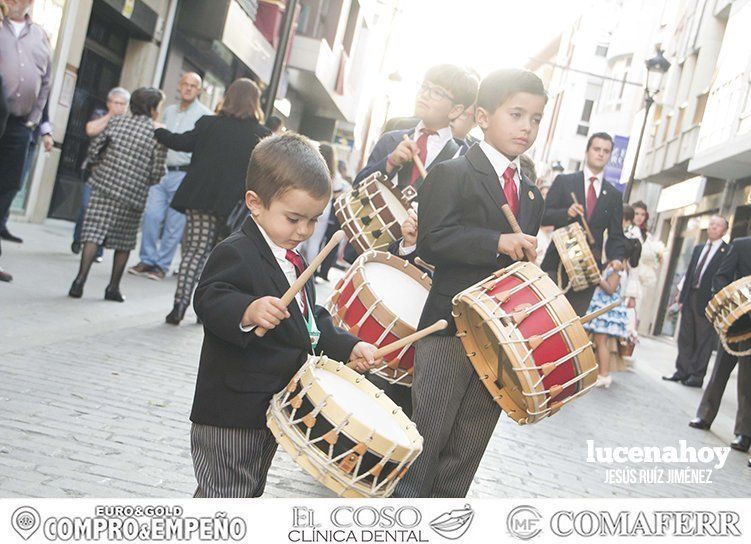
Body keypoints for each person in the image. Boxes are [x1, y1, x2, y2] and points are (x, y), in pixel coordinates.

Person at [189, 132, 380, 497]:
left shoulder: (294, 258)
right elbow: (210, 298)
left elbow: (308, 320)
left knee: (241, 493)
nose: (304, 231)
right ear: (255, 204)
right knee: (226, 496)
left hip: (269, 409)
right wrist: (248, 309)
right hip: (231, 411)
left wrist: (347, 346)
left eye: (313, 220)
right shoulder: (238, 251)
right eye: (294, 218)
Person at [393, 69, 546, 498]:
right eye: (516, 114)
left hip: (500, 339)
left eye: (535, 119)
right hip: (449, 328)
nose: (526, 127)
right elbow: (433, 241)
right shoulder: (452, 172)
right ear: (482, 115)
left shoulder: (532, 194)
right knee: (425, 444)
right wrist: (498, 240)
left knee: (467, 450)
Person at [155, 78, 271, 325]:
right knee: (219, 259)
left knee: (193, 253)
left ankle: (179, 306)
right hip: (235, 207)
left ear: (227, 97)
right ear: (254, 102)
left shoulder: (208, 124)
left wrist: (157, 129)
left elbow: (180, 142)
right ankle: (206, 309)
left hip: (201, 199)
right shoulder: (260, 135)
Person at [68, 87, 167, 302]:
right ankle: (112, 287)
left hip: (103, 186)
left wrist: (99, 167)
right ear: (152, 109)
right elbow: (157, 172)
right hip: (133, 194)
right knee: (124, 241)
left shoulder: (116, 122)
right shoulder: (156, 135)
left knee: (93, 233)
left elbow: (94, 151)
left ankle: (79, 280)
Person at [128, 73, 210, 281]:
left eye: (193, 86)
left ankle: (161, 265)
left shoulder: (204, 116)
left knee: (175, 225)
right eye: (185, 84)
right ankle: (146, 259)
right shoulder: (169, 112)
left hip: (184, 174)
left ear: (199, 90)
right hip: (161, 171)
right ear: (179, 86)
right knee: (151, 216)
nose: (189, 89)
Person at [540, 132, 627, 316]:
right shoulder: (564, 181)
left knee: (572, 325)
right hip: (557, 263)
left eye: (606, 151)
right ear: (587, 151)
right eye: (596, 149)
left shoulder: (613, 195)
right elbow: (543, 216)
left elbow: (616, 235)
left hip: (587, 271)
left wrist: (617, 258)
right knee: (545, 318)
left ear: (610, 155)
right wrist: (566, 213)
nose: (601, 154)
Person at [354, 64, 478, 190]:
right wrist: (390, 162)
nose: (424, 95)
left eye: (437, 92)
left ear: (456, 110)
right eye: (424, 86)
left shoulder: (465, 159)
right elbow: (357, 188)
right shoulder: (390, 140)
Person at [0, 0, 52, 279]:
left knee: (7, 188)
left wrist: (34, 120)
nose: (16, 2)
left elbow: (46, 83)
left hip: (20, 124)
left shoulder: (40, 35)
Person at [689, 235, 751, 456]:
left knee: (748, 380)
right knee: (719, 372)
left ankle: (744, 434)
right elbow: (721, 277)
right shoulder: (742, 245)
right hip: (734, 321)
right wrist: (727, 300)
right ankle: (705, 416)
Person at [663, 215, 729, 387]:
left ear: (724, 230)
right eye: (711, 224)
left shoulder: (726, 251)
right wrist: (682, 297)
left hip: (708, 301)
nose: (713, 227)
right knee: (685, 336)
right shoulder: (699, 248)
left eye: (717, 225)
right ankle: (681, 371)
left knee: (703, 339)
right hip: (690, 296)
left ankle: (696, 375)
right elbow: (690, 272)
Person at [72, 87, 131, 258]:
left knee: (107, 214)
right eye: (116, 103)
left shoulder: (128, 122)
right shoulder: (100, 115)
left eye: (123, 104)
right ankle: (78, 239)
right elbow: (90, 130)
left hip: (115, 175)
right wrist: (110, 116)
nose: (119, 107)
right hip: (94, 171)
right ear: (109, 103)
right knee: (86, 206)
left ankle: (98, 250)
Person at [584, 237, 641, 388]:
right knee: (601, 342)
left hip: (606, 307)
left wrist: (596, 278)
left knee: (601, 343)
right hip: (606, 307)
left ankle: (604, 374)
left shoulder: (618, 267)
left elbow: (610, 288)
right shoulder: (621, 265)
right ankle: (602, 373)